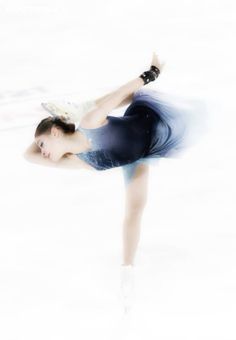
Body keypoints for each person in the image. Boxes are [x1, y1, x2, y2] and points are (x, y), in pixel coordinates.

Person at [23, 52, 208, 310]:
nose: (41, 151)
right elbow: (27, 156)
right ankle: (128, 272)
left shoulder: (89, 123)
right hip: (141, 155)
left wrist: (149, 75)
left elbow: (118, 96)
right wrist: (51, 133)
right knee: (134, 211)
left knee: (200, 116)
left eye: (42, 143)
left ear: (56, 131)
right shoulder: (80, 162)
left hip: (151, 120)